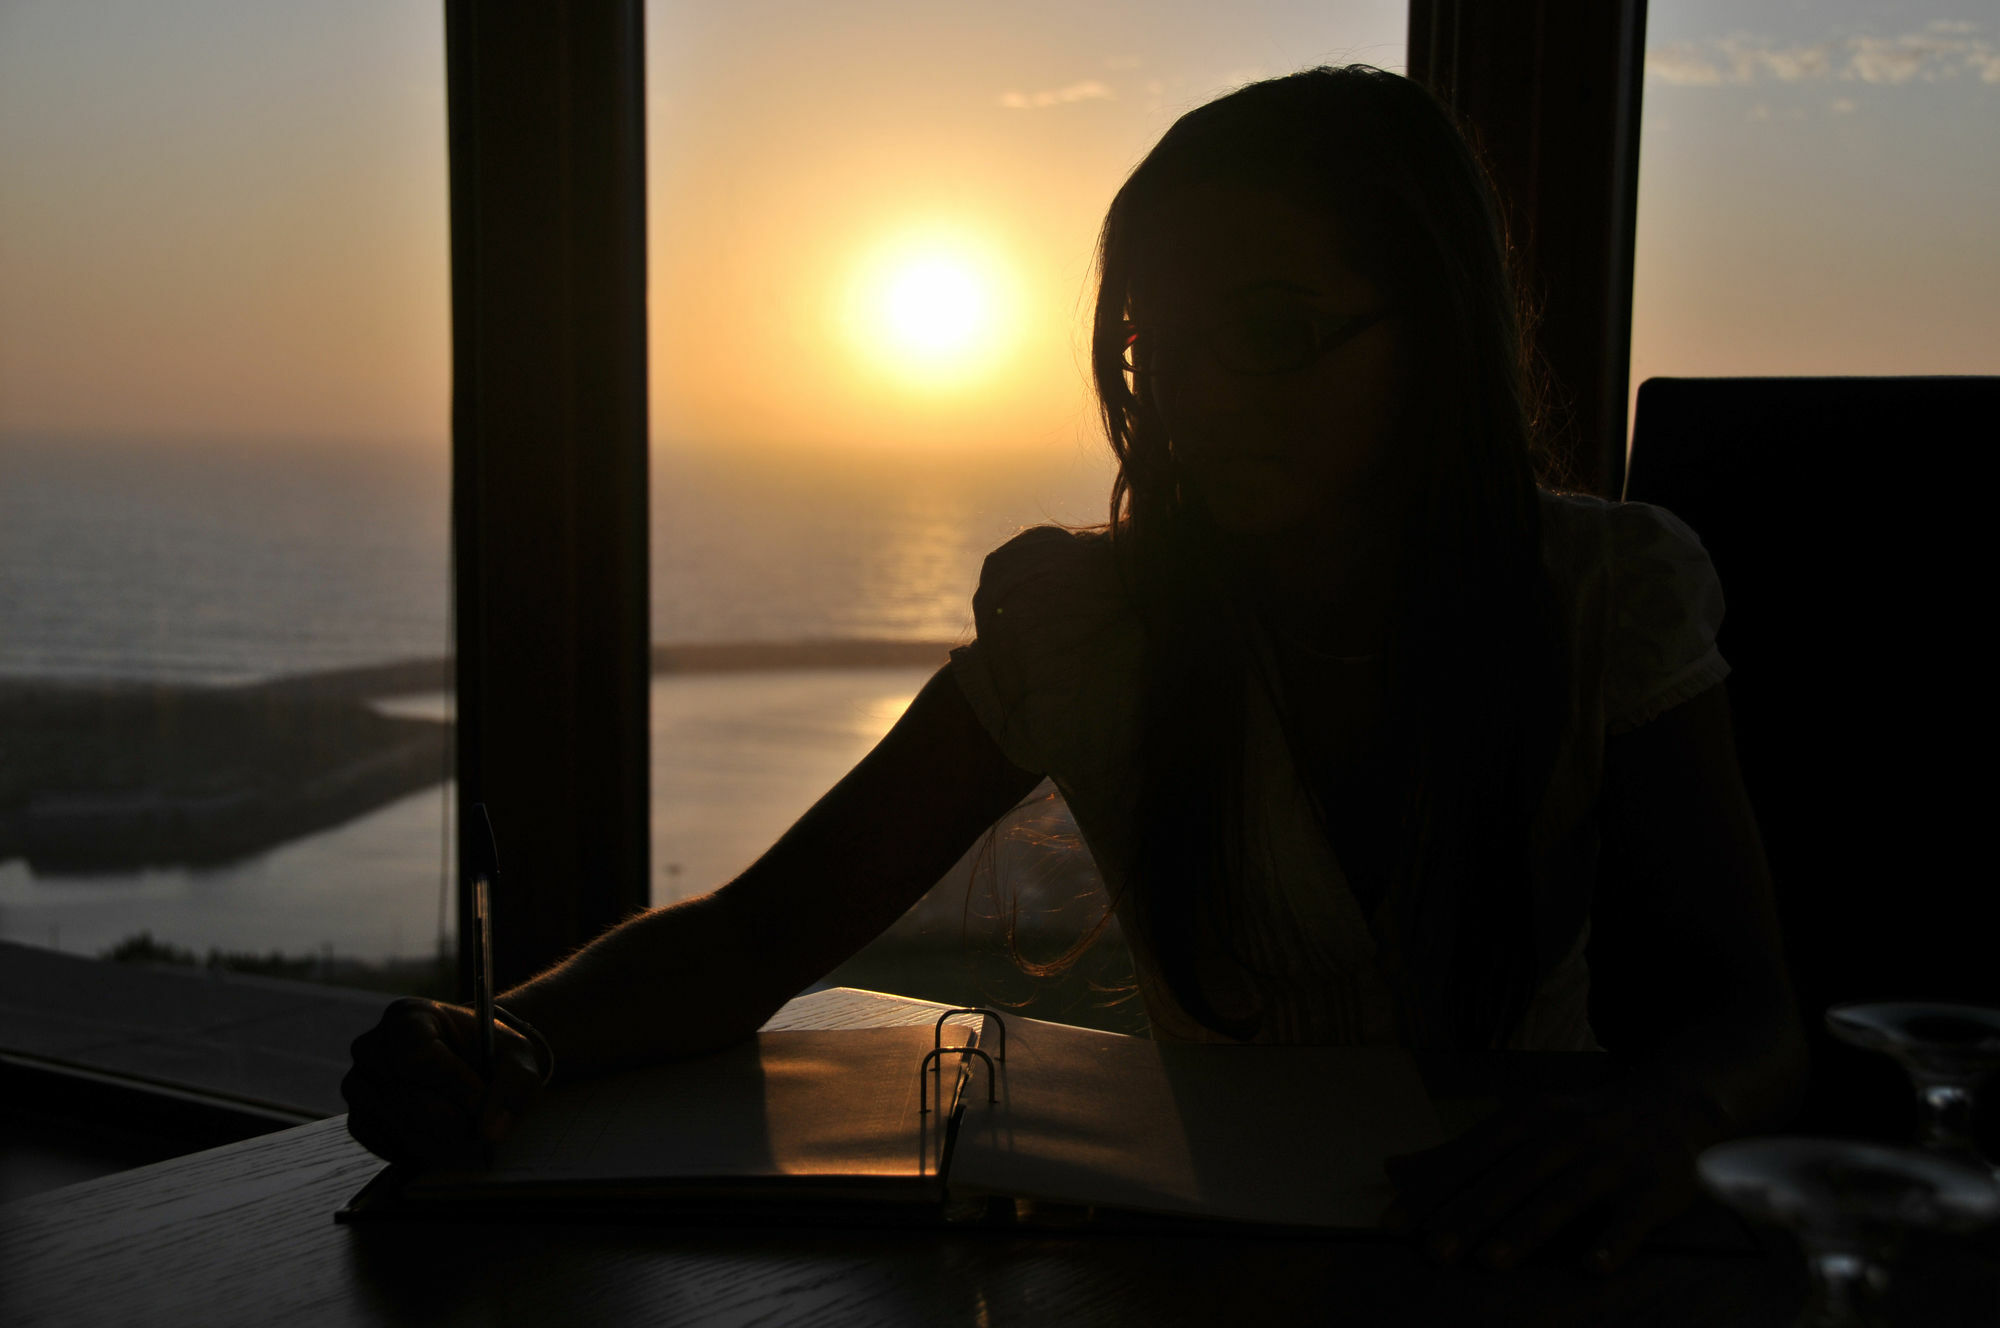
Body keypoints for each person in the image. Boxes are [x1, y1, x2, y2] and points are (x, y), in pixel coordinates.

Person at [344, 65, 1805, 1273]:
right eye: (1157, 345)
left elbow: (1751, 1012)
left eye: (1273, 335)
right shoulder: (1089, 625)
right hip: (1206, 1273)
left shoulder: (1611, 598)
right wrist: (514, 1032)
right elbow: (756, 936)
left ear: (1435, 338)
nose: (1196, 394)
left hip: (1525, 1262)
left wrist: (1658, 1119)